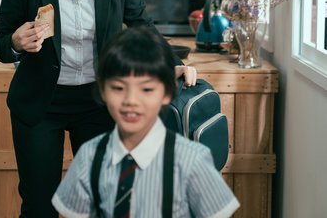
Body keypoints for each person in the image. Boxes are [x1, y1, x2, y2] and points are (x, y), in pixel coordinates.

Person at [0, 0, 197, 217]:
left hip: (99, 101)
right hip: (41, 104)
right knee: (40, 203)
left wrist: (168, 63)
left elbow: (141, 24)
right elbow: (1, 42)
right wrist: (15, 41)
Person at [51, 26, 239, 217]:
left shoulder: (194, 161)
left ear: (166, 92)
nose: (131, 101)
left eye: (146, 89)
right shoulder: (88, 159)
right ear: (102, 89)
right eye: (118, 88)